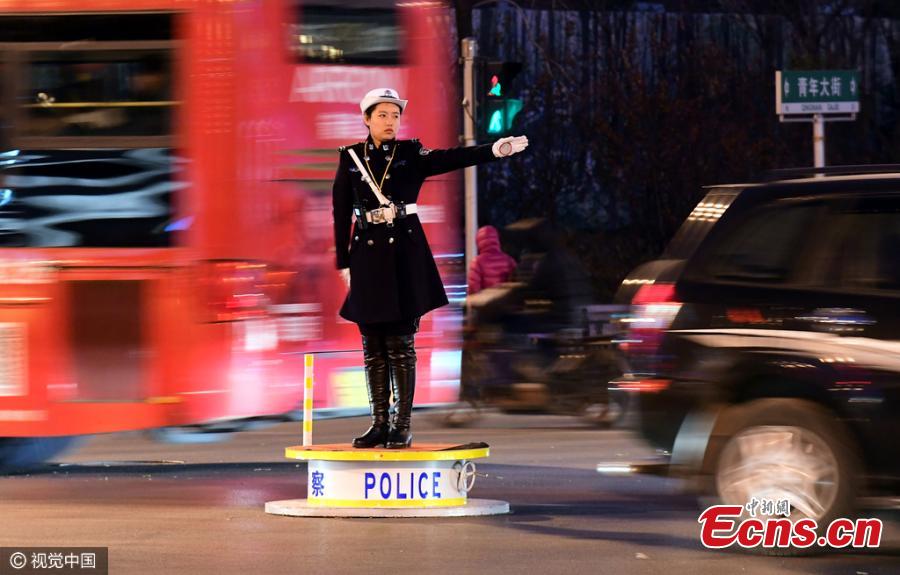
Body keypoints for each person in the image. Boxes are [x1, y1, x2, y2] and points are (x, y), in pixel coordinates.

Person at [332, 87, 528, 448]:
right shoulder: (350, 158)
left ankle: (401, 425)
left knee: (401, 344)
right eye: (383, 115)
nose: (390, 122)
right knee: (373, 345)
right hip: (367, 258)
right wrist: (343, 262)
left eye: (395, 116)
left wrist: (494, 150)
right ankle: (378, 424)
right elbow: (340, 211)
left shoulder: (410, 154)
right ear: (366, 119)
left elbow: (452, 158)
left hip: (404, 256)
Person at [467, 225, 517, 295]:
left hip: (486, 303)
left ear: (478, 242)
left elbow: (473, 288)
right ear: (497, 240)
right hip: (505, 302)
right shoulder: (508, 260)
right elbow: (515, 282)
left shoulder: (477, 262)